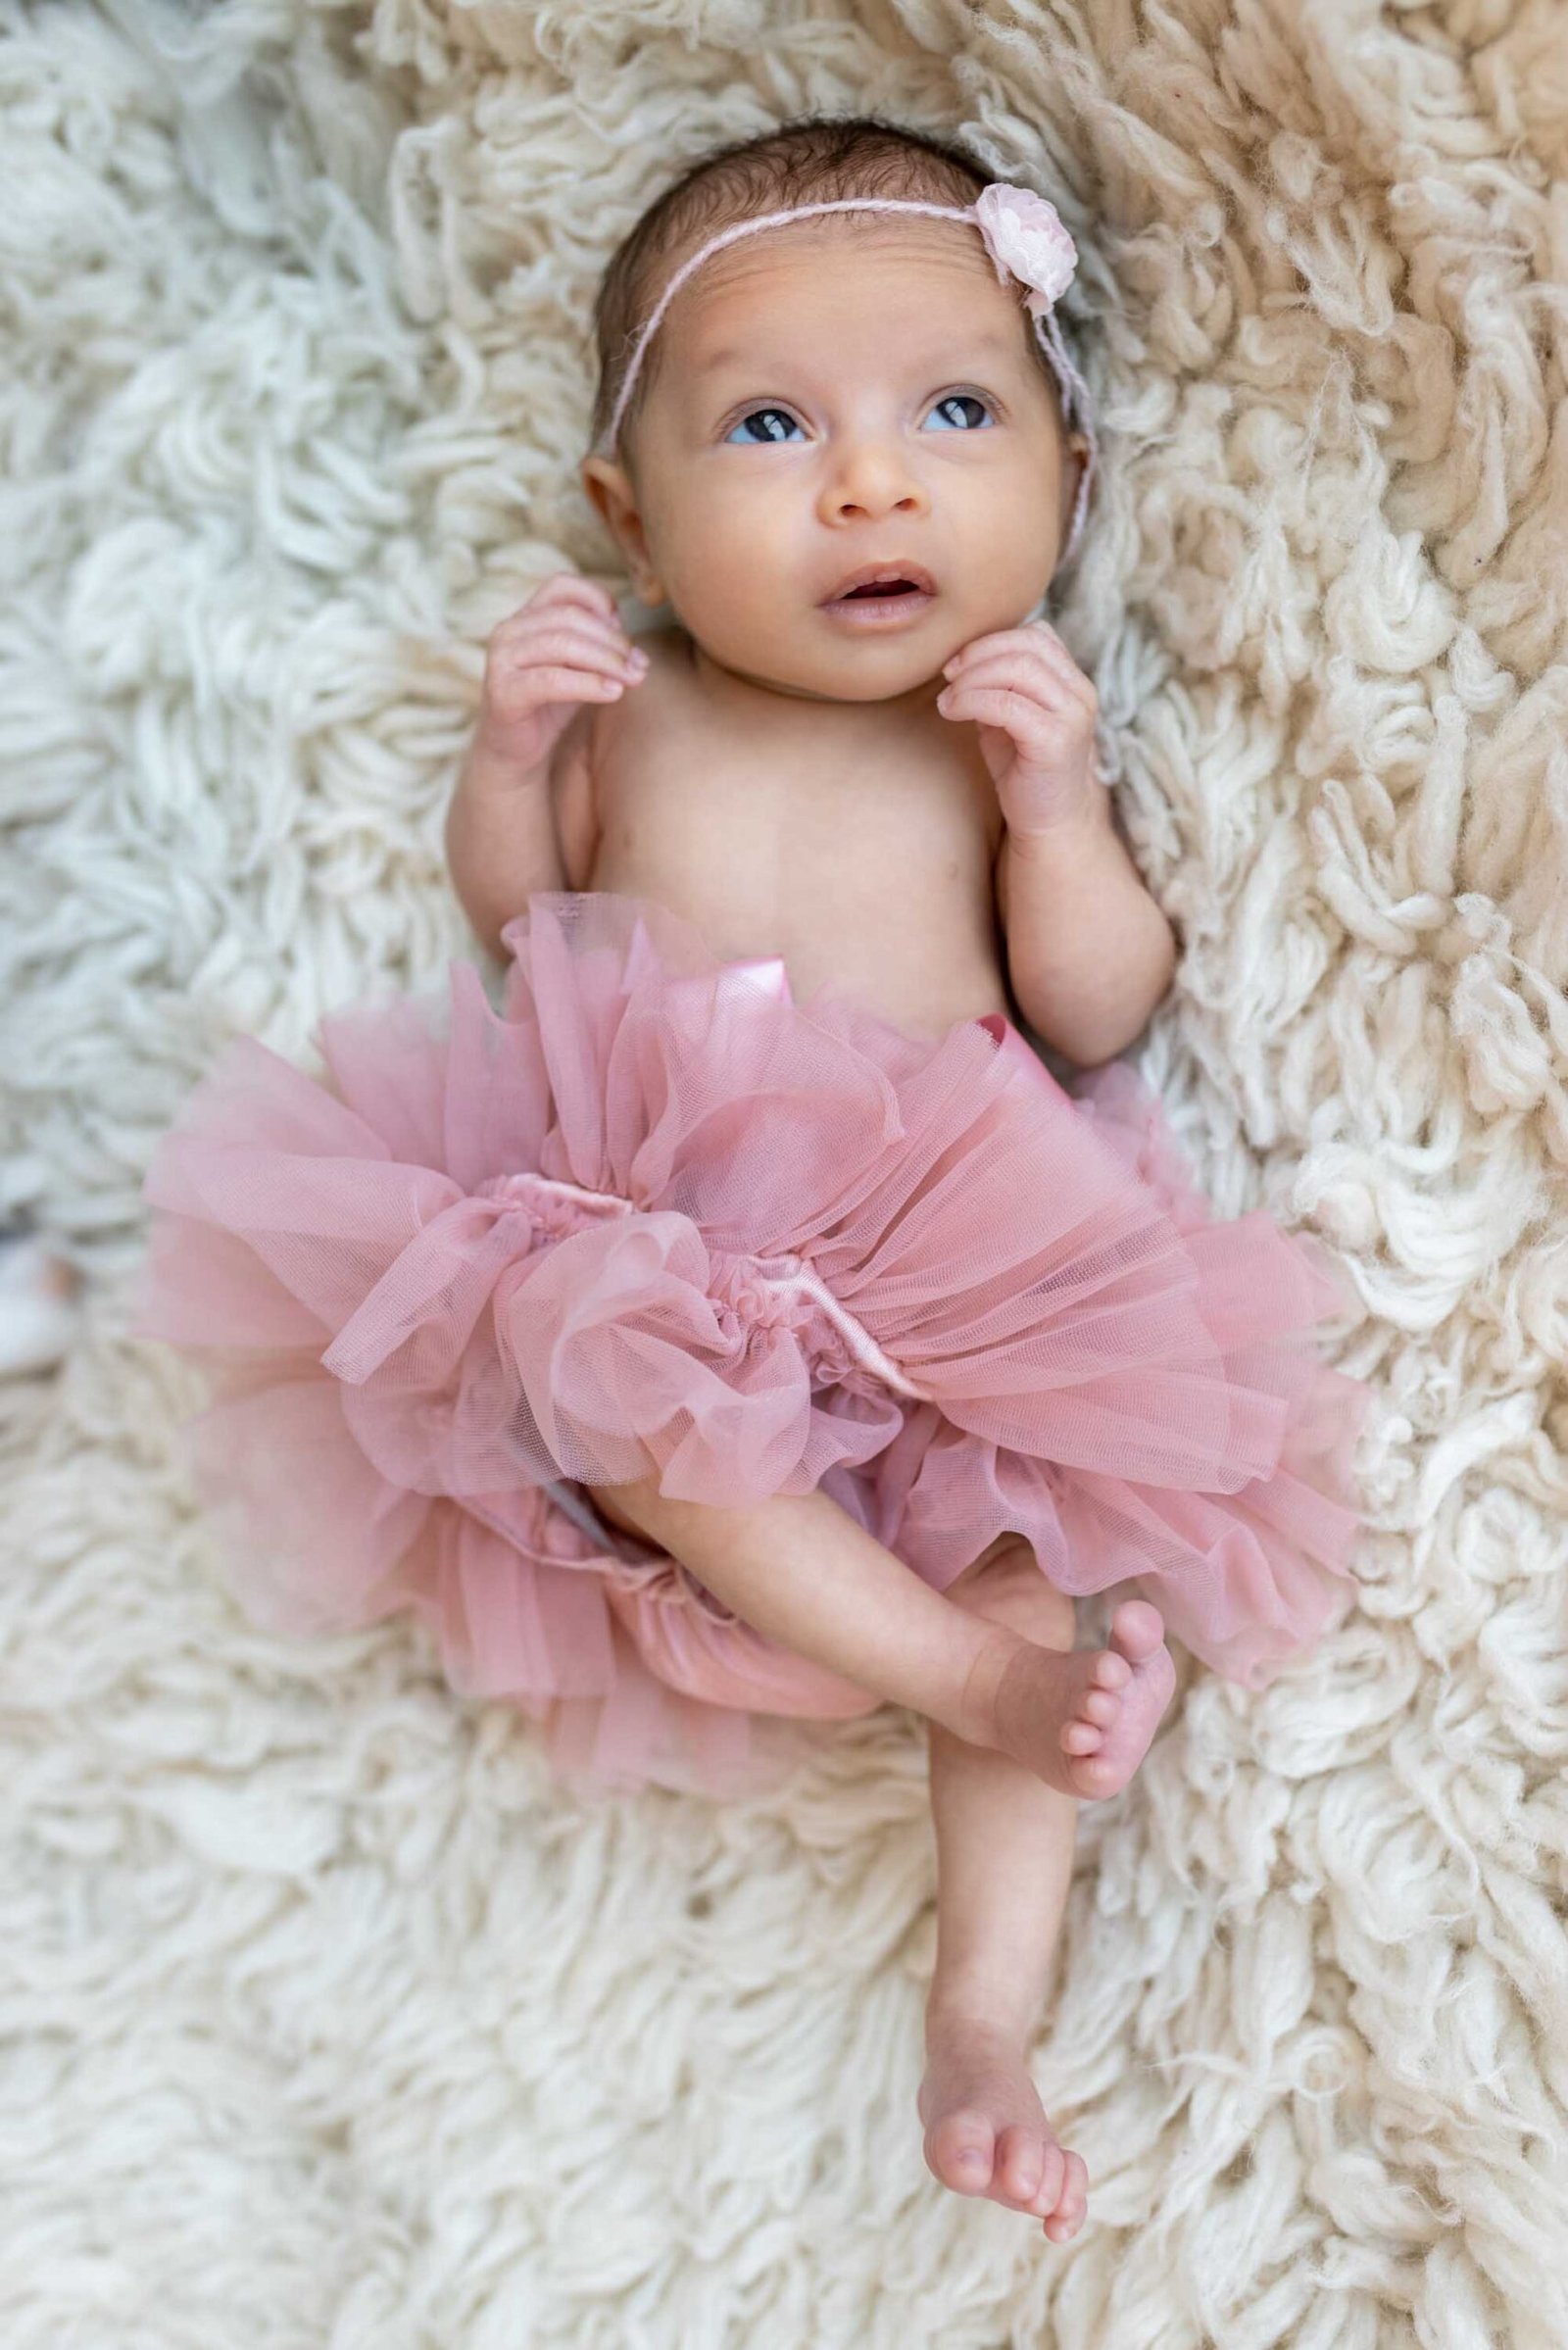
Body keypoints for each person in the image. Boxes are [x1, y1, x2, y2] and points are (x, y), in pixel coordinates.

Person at [132, 116, 1370, 2242]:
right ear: (630, 512)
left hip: (949, 1266)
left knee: (1024, 1557)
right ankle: (962, 1676)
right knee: (602, 1368)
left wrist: (1060, 810)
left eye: (954, 411)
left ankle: (977, 2011)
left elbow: (1093, 1009)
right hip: (659, 1239)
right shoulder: (641, 707)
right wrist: (510, 766)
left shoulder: (986, 743)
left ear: (1064, 483)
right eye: (770, 425)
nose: (867, 482)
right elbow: (525, 927)